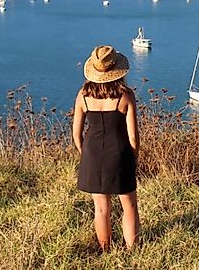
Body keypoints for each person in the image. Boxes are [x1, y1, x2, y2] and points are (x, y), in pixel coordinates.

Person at [73, 45, 140, 250]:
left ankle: (106, 249)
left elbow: (76, 134)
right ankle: (132, 251)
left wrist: (86, 154)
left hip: (92, 154)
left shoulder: (83, 95)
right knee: (129, 206)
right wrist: (133, 157)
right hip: (120, 153)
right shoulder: (125, 96)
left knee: (101, 209)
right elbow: (133, 136)